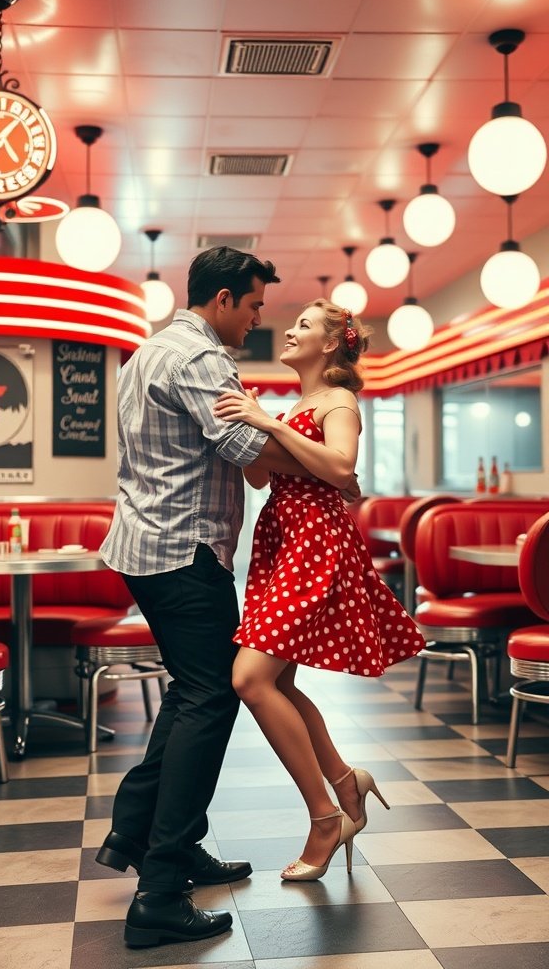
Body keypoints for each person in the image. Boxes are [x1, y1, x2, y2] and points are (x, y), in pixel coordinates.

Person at [96, 248, 354, 949]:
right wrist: (326, 469)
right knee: (212, 698)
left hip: (148, 549)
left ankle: (150, 839)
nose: (257, 318)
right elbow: (247, 453)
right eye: (253, 305)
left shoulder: (148, 350)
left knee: (191, 693)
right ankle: (157, 895)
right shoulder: (201, 359)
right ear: (221, 300)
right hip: (184, 552)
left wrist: (290, 439)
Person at [213, 299, 426, 881]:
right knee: (275, 680)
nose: (289, 330)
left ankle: (324, 817)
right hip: (283, 539)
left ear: (331, 344)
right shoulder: (298, 404)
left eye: (304, 325)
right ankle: (344, 780)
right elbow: (262, 477)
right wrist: (251, 426)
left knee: (248, 679)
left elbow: (341, 470)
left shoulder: (339, 401)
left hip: (316, 543)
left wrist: (269, 425)